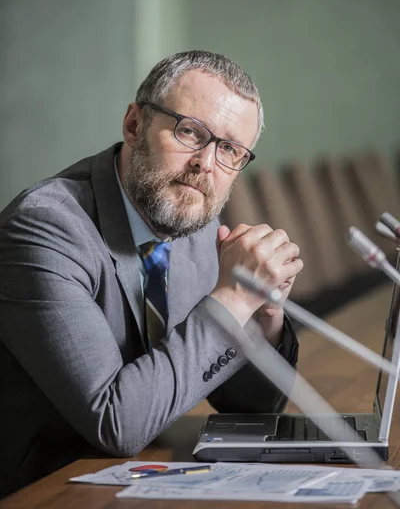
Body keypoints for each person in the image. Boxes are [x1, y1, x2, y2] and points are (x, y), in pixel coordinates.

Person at [0, 50, 303, 496]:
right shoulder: (45, 226)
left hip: (129, 478)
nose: (206, 163)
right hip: (41, 487)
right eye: (190, 132)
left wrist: (261, 315)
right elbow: (116, 423)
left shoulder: (192, 221)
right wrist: (233, 299)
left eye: (230, 150)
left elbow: (251, 406)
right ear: (134, 125)